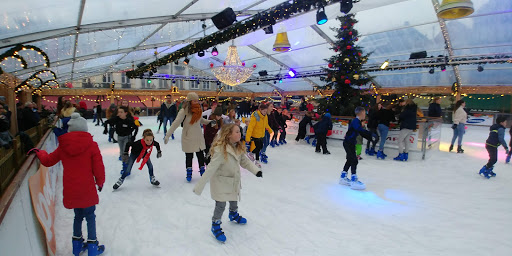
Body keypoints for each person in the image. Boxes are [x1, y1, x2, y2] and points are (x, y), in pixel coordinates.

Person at [30, 113, 106, 256]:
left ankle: (76, 247)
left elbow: (48, 161)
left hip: (71, 189)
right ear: (84, 129)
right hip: (87, 189)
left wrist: (40, 153)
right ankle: (92, 248)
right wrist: (100, 182)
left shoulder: (63, 146)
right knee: (90, 216)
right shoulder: (91, 145)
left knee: (77, 216)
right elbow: (98, 167)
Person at [193, 123, 262, 243]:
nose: (239, 134)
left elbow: (245, 162)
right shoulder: (221, 149)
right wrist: (200, 186)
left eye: (240, 131)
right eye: (236, 132)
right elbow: (211, 168)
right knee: (221, 205)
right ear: (229, 135)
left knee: (234, 198)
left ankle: (233, 214)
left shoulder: (237, 147)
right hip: (220, 181)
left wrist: (256, 171)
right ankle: (215, 224)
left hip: (232, 180)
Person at [164, 92, 214, 182]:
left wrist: (210, 122)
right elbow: (176, 123)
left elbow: (201, 120)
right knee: (189, 155)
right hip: (188, 136)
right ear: (190, 101)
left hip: (198, 136)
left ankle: (203, 171)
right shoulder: (184, 111)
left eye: (197, 100)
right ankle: (189, 172)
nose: (197, 102)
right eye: (194, 100)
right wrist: (168, 135)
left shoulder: (199, 110)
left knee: (200, 155)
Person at [340, 107, 376, 190]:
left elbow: (361, 132)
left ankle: (343, 177)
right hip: (348, 143)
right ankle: (353, 180)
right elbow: (359, 130)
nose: (365, 115)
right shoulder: (356, 121)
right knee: (354, 160)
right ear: (361, 113)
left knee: (350, 159)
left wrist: (370, 137)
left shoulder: (357, 121)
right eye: (364, 113)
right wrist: (370, 134)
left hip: (350, 143)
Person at [103, 106, 138, 174]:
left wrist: (133, 136)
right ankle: (124, 166)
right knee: (122, 153)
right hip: (119, 137)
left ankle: (126, 168)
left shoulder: (129, 120)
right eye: (118, 112)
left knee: (125, 152)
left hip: (127, 137)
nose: (119, 113)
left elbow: (136, 128)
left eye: (121, 112)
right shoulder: (116, 119)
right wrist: (105, 128)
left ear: (125, 113)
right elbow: (107, 122)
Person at [245, 103, 273, 168]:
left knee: (261, 146)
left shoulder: (265, 116)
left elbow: (266, 124)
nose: (265, 113)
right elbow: (250, 127)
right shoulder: (255, 116)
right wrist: (247, 138)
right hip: (255, 134)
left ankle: (250, 153)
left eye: (266, 111)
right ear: (260, 110)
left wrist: (270, 130)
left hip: (261, 134)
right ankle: (257, 161)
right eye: (264, 111)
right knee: (258, 148)